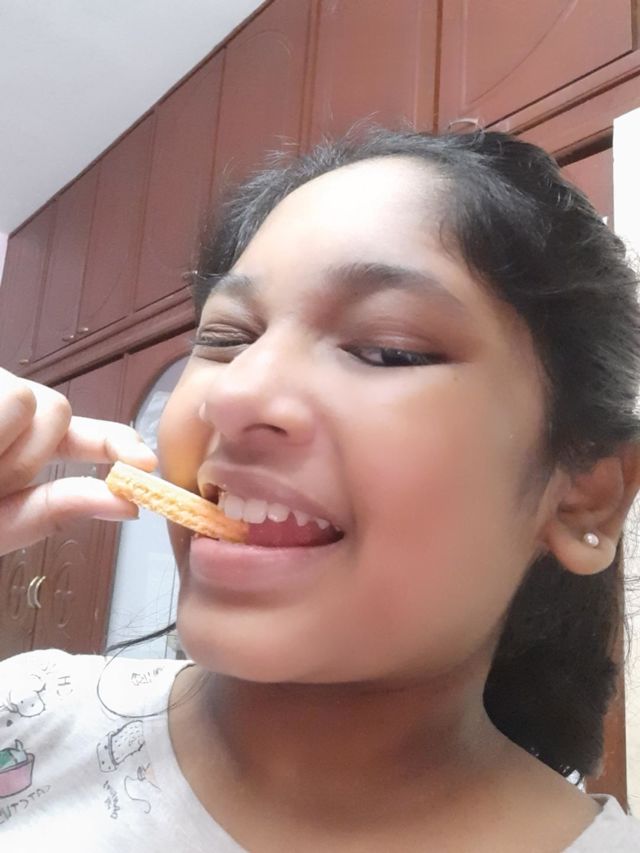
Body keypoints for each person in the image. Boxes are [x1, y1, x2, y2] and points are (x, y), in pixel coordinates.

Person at [1, 128, 640, 851]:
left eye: (388, 349)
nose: (234, 393)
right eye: (224, 339)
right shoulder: (26, 719)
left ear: (584, 494)